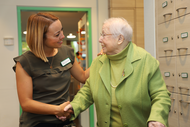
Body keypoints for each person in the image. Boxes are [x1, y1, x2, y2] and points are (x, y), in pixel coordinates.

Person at [59, 17, 171, 127]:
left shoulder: (145, 60)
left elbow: (161, 95)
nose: (99, 39)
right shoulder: (98, 62)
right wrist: (74, 106)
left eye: (104, 35)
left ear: (120, 39)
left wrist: (157, 117)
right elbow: (88, 91)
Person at [13, 12, 90, 127]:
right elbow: (26, 103)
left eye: (61, 31)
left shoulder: (66, 52)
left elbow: (83, 77)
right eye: (57, 34)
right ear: (40, 38)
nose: (62, 36)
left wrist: (102, 58)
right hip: (37, 123)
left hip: (64, 120)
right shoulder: (25, 62)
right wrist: (57, 109)